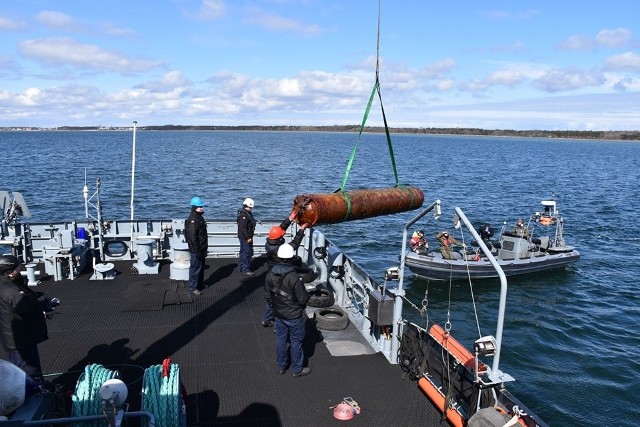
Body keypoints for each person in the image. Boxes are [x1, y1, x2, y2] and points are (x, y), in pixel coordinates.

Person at [264, 243, 311, 377]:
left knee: (281, 340)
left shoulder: (269, 274)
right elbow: (302, 298)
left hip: (279, 314)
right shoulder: (294, 277)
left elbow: (267, 295)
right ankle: (297, 369)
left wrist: (275, 308)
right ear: (291, 258)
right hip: (294, 316)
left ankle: (281, 366)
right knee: (296, 342)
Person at [0, 255, 48, 381]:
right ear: (9, 272)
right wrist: (44, 300)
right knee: (29, 374)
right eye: (17, 268)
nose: (20, 269)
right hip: (20, 340)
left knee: (22, 371)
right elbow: (28, 307)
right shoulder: (10, 292)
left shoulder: (5, 285)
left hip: (11, 338)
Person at [262, 211, 309, 327]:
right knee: (282, 297)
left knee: (272, 296)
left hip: (272, 272)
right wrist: (302, 230)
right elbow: (295, 243)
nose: (283, 236)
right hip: (281, 274)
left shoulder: (269, 243)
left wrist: (290, 218)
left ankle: (266, 318)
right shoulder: (279, 251)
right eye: (282, 237)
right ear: (278, 239)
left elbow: (279, 230)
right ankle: (277, 322)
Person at [185, 196, 208, 296]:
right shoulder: (193, 220)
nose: (202, 208)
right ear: (195, 208)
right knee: (195, 268)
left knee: (201, 267)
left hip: (201, 248)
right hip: (196, 250)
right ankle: (193, 287)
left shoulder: (199, 217)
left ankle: (199, 284)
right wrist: (197, 251)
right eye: (200, 207)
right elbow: (192, 237)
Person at [237, 197, 257, 276]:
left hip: (244, 236)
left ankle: (241, 267)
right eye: (250, 207)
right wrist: (248, 237)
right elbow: (243, 228)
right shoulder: (244, 215)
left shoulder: (245, 213)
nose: (251, 208)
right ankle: (245, 269)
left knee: (243, 252)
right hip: (245, 237)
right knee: (246, 253)